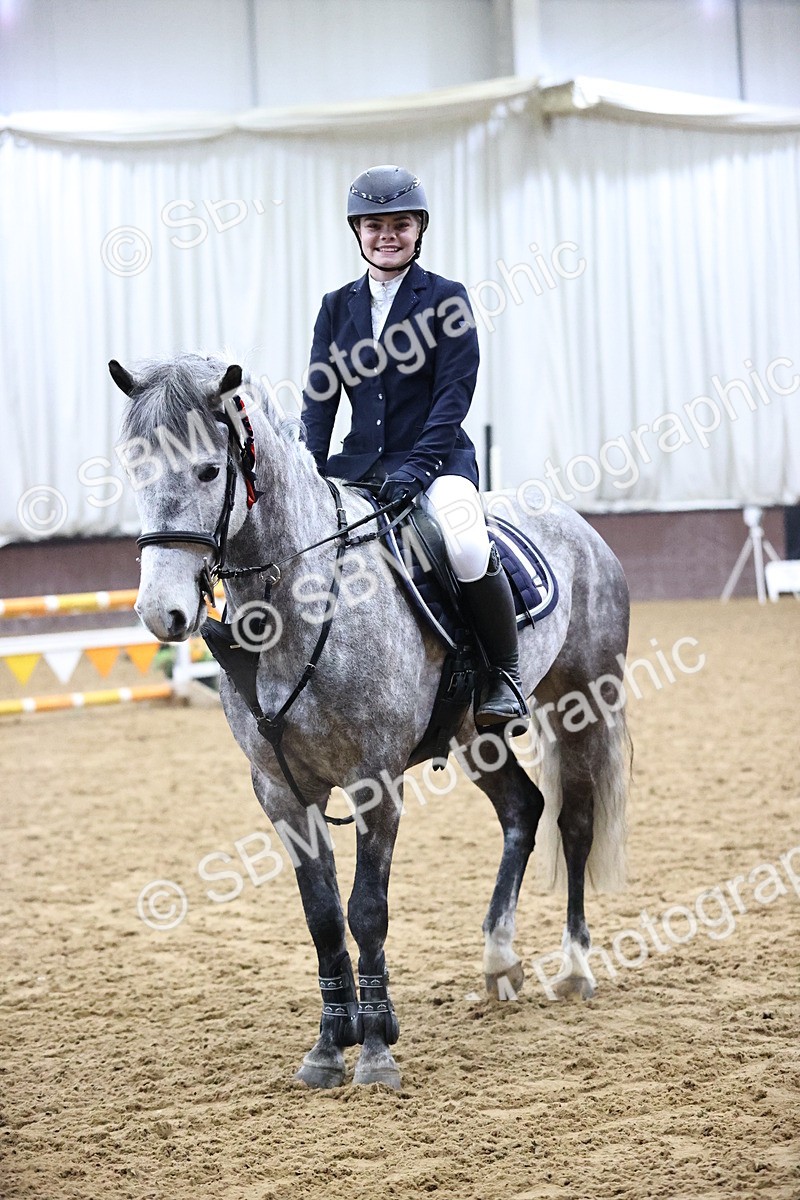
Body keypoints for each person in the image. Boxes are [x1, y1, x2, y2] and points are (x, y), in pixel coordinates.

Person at [300, 164, 526, 726]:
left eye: (400, 224)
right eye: (374, 225)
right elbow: (320, 397)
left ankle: (502, 672)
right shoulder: (335, 306)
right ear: (357, 232)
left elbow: (454, 394)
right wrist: (310, 470)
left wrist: (419, 468)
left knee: (467, 543)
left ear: (419, 229)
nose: (387, 236)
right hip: (358, 467)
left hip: (438, 459)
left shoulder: (447, 298)